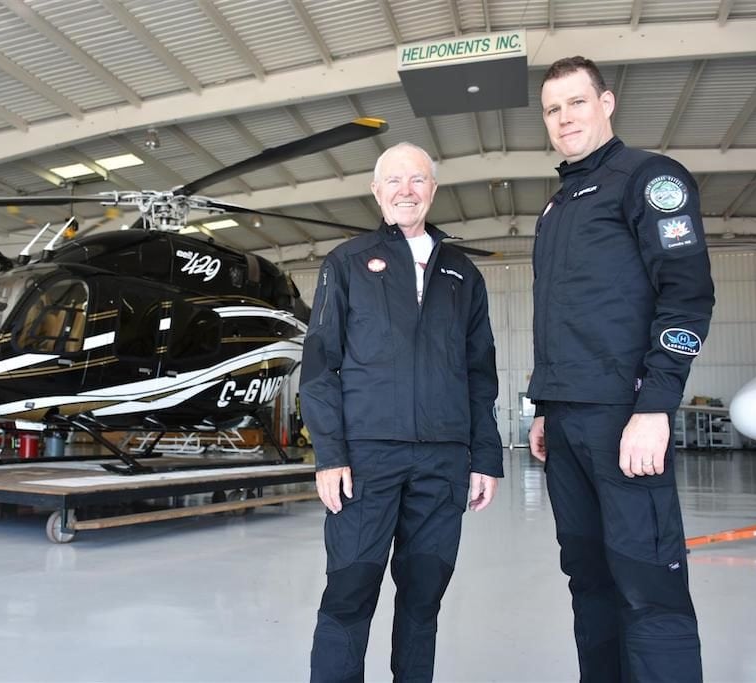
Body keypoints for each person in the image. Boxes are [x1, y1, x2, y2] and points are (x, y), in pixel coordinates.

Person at [527, 56, 715, 682]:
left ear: (606, 104)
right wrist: (546, 407)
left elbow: (686, 296)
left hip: (626, 419)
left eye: (576, 103)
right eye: (553, 109)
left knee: (647, 583)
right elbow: (563, 317)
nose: (564, 118)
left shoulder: (649, 180)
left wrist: (656, 405)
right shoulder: (554, 211)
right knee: (588, 582)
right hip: (567, 425)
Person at [300, 141, 503, 682]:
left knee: (423, 599)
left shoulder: (462, 274)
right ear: (376, 191)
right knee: (349, 592)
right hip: (366, 462)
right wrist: (329, 455)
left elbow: (480, 374)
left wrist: (485, 457)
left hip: (441, 464)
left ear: (433, 191)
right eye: (394, 181)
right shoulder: (345, 264)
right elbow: (320, 367)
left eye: (417, 180)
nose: (406, 191)